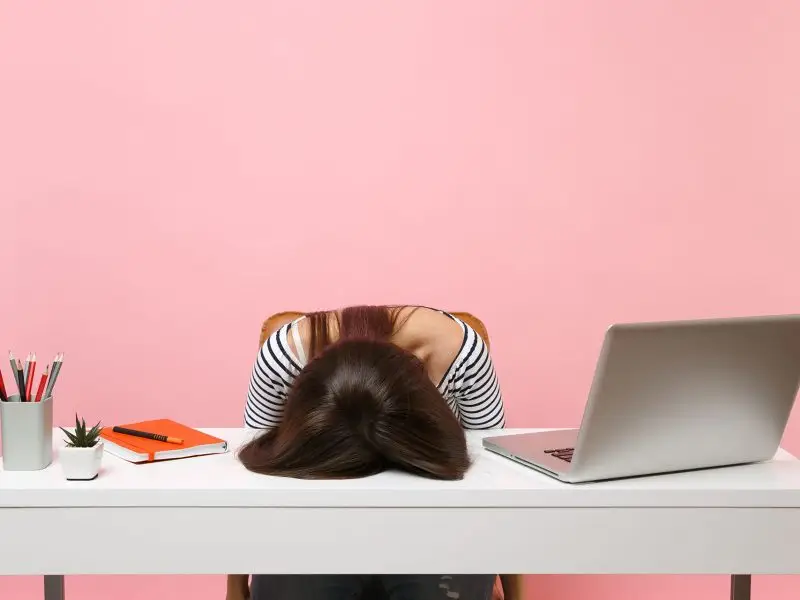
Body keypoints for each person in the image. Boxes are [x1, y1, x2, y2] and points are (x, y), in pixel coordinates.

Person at [227, 305, 506, 600]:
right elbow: (256, 479)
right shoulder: (284, 359)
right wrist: (234, 588)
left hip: (433, 528)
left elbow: (496, 476)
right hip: (315, 529)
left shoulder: (460, 355)